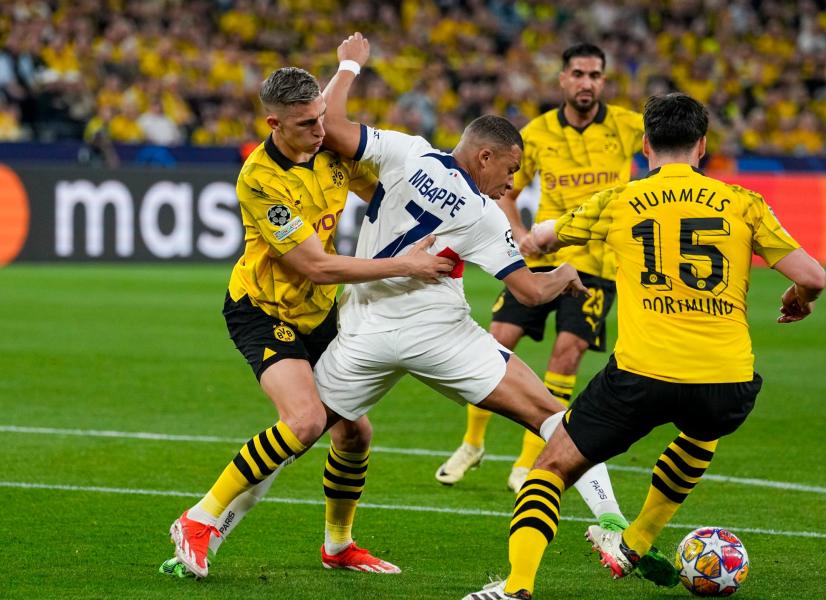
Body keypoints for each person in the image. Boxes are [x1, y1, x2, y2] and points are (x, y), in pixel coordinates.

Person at [464, 93, 826, 599]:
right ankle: (636, 539)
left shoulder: (619, 200)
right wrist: (800, 297)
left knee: (550, 468)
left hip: (641, 376)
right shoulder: (744, 203)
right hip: (727, 380)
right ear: (702, 146)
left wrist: (535, 237)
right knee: (703, 429)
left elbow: (541, 241)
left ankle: (517, 587)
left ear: (644, 145)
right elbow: (813, 275)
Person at [312, 32, 644, 550]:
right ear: (486, 156)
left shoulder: (408, 152)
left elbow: (329, 126)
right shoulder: (486, 212)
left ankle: (214, 519)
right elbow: (532, 292)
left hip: (364, 325)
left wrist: (349, 66)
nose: (513, 184)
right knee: (553, 415)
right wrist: (562, 273)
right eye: (511, 171)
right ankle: (611, 527)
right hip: (437, 332)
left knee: (305, 428)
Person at [165, 65, 455, 579]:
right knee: (304, 421)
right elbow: (315, 265)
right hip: (263, 311)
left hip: (319, 311)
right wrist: (405, 264)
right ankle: (199, 519)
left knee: (355, 434)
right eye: (306, 125)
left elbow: (387, 196)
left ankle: (338, 545)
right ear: (274, 123)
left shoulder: (332, 149)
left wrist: (456, 212)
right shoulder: (259, 180)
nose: (321, 131)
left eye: (322, 118)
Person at [435, 43, 646, 494]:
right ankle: (472, 443)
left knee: (566, 353)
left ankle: (532, 459)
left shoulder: (628, 127)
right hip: (541, 257)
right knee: (496, 342)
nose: (587, 82)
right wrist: (517, 231)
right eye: (578, 73)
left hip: (597, 265)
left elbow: (667, 156)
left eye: (595, 75)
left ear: (604, 81)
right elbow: (508, 190)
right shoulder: (537, 132)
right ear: (563, 79)